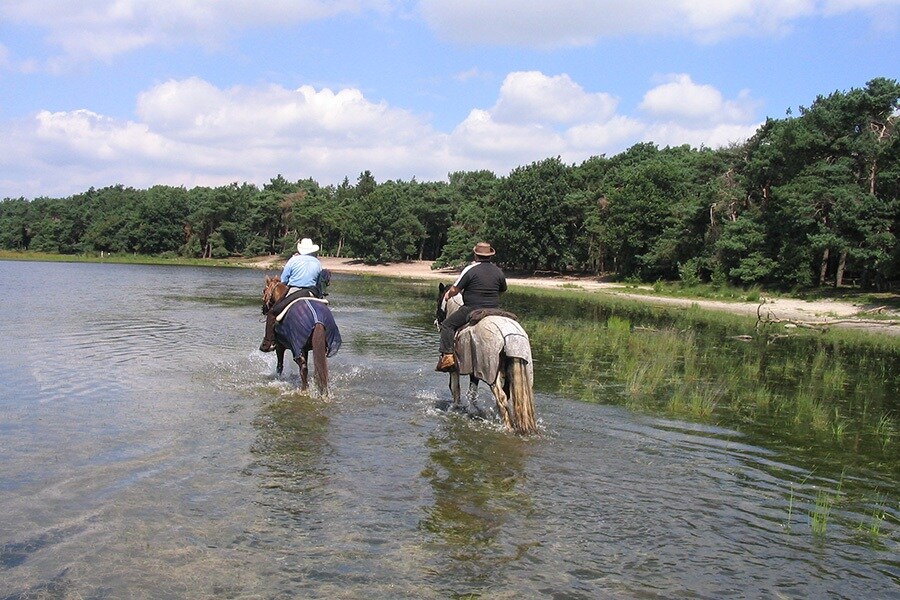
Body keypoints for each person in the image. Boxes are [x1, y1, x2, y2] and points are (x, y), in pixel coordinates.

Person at [435, 241, 507, 372]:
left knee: (447, 325)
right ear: (490, 256)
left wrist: (447, 295)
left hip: (472, 308)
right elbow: (502, 290)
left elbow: (455, 289)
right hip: (495, 309)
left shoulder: (470, 269)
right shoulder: (498, 271)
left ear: (476, 255)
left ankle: (448, 357)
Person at [259, 237, 330, 352]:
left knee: (272, 313)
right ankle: (326, 342)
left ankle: (268, 342)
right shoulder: (317, 262)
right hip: (312, 293)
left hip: (295, 292)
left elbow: (284, 280)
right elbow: (318, 281)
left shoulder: (293, 260)